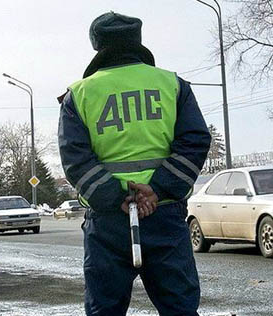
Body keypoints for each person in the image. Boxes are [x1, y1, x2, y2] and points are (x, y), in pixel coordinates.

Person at [58, 12, 211, 316]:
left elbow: (75, 158)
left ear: (97, 46)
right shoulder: (172, 85)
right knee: (179, 308)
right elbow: (194, 141)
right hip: (163, 214)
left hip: (108, 223)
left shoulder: (80, 94)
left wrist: (116, 199)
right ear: (138, 41)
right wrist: (155, 190)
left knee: (105, 310)